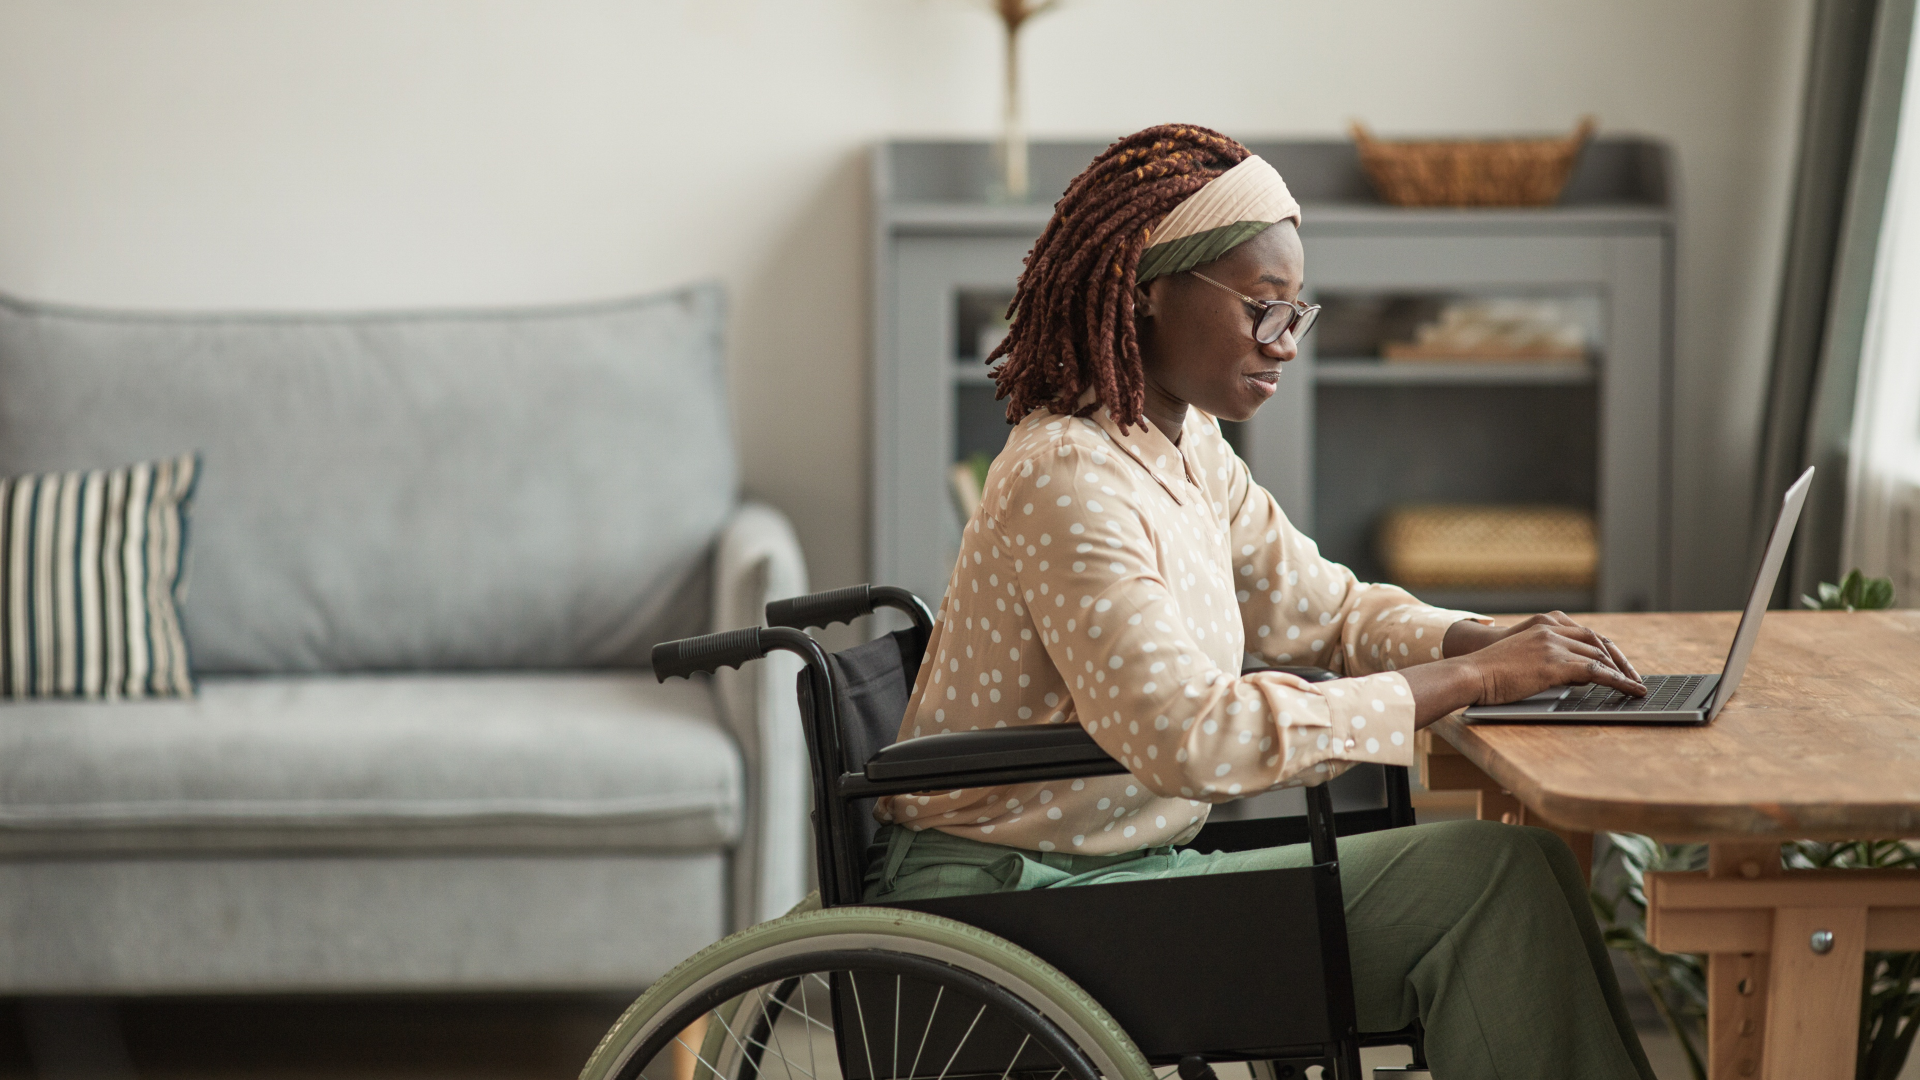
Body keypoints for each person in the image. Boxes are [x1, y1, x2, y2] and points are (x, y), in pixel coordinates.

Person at [865, 124, 1659, 1080]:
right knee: (1492, 887)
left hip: (1120, 877)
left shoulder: (1185, 446)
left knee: (1518, 873)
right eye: (1263, 309)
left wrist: (1478, 634)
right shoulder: (1069, 476)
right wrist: (1467, 680)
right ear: (1146, 290)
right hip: (1020, 903)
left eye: (1298, 313)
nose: (1285, 343)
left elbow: (1321, 608)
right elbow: (1189, 736)